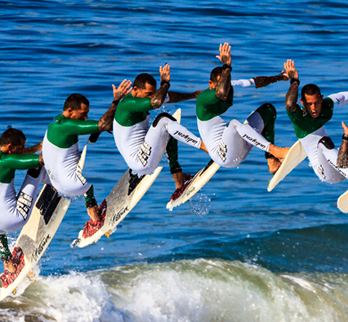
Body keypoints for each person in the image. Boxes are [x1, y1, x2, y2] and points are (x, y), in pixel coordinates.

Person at [42, 81, 132, 238]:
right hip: (73, 186)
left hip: (54, 182)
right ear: (70, 111)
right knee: (89, 166)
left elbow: (97, 129)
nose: (86, 117)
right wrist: (116, 101)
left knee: (86, 146)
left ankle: (79, 200)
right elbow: (102, 124)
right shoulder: (68, 126)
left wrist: (102, 129)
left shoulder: (56, 122)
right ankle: (94, 215)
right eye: (83, 113)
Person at [193, 43, 291, 186]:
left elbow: (256, 81)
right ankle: (276, 151)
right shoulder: (204, 98)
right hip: (222, 156)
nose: (224, 89)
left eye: (225, 84)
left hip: (236, 149)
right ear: (211, 84)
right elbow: (220, 92)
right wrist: (227, 65)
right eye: (219, 84)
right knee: (234, 124)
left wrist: (280, 77)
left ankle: (272, 161)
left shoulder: (227, 86)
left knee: (268, 109)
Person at [282, 59, 348, 185]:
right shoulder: (298, 117)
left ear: (321, 99)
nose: (313, 108)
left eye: (316, 103)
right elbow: (289, 104)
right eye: (309, 104)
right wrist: (294, 81)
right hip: (326, 172)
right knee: (324, 142)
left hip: (343, 161)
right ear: (302, 102)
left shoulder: (328, 103)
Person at [114, 64, 208, 201]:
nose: (151, 97)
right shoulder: (129, 104)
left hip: (139, 160)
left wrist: (193, 95)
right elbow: (157, 102)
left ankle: (178, 176)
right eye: (148, 94)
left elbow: (166, 97)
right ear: (135, 90)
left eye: (153, 94)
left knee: (171, 128)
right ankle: (204, 146)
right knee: (164, 120)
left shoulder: (140, 101)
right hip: (140, 162)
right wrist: (165, 83)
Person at [0, 128, 43, 286]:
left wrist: (37, 147)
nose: (21, 151)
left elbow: (16, 157)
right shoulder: (7, 161)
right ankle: (53, 183)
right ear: (10, 147)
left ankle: (7, 261)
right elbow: (40, 160)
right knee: (37, 168)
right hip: (15, 219)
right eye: (20, 148)